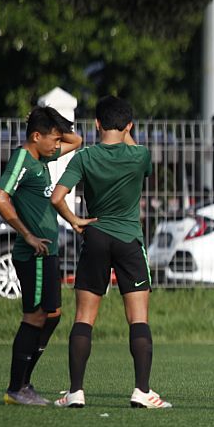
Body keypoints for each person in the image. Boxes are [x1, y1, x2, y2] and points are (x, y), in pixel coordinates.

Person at [50, 96, 171, 409]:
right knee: (138, 319)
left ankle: (76, 392)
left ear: (96, 124)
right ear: (129, 125)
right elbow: (132, 147)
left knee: (84, 318)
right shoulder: (140, 155)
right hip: (129, 240)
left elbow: (57, 197)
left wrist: (76, 220)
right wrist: (127, 132)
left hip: (96, 237)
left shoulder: (85, 157)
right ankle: (141, 391)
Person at [0, 106, 82, 405]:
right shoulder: (22, 158)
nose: (58, 145)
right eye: (53, 139)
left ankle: (25, 382)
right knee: (35, 316)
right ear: (36, 136)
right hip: (34, 254)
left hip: (49, 253)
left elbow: (77, 140)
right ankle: (17, 387)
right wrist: (27, 234)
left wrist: (49, 119)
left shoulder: (41, 156)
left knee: (52, 315)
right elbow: (0, 197)